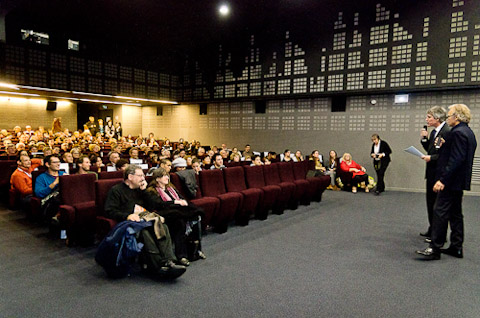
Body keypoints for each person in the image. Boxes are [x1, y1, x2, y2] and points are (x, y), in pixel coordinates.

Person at [416, 104, 477, 260]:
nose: (448, 118)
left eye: (449, 116)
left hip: (449, 181)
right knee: (456, 214)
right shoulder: (468, 132)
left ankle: (435, 248)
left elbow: (456, 159)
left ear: (456, 117)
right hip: (458, 181)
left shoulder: (456, 133)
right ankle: (456, 247)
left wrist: (442, 179)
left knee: (439, 211)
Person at [104, 165, 186, 277]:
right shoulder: (116, 190)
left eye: (143, 175)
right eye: (140, 175)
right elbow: (109, 211)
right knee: (145, 233)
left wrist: (145, 192)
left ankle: (169, 261)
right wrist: (127, 216)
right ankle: (158, 266)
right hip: (129, 222)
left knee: (162, 226)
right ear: (130, 177)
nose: (143, 178)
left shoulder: (141, 190)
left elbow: (151, 207)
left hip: (145, 219)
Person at [147, 168, 206, 265]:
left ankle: (196, 250)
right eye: (164, 176)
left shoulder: (171, 188)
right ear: (157, 179)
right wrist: (175, 202)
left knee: (196, 217)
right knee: (180, 222)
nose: (167, 177)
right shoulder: (152, 191)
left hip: (178, 211)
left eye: (167, 175)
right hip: (166, 213)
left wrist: (181, 202)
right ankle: (181, 255)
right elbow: (159, 204)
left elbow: (181, 198)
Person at [419, 106, 450, 240]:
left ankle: (437, 234)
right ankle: (432, 229)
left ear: (437, 118)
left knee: (437, 206)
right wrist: (425, 139)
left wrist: (430, 158)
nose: (427, 120)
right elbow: (432, 150)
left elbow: (444, 155)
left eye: (429, 117)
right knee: (430, 203)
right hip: (431, 173)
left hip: (439, 175)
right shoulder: (434, 133)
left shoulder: (446, 132)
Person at [35, 155, 66, 222]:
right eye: (55, 162)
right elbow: (39, 194)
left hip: (65, 198)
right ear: (47, 164)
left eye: (59, 162)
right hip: (49, 202)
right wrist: (54, 183)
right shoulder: (41, 177)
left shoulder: (63, 174)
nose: (58, 164)